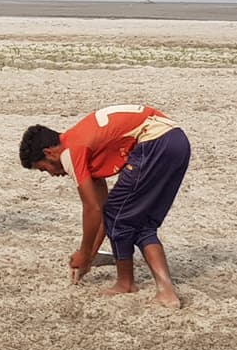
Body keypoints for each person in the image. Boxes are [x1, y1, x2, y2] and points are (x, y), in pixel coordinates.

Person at [19, 104, 190, 308]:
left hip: (154, 142)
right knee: (140, 223)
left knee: (120, 217)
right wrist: (90, 257)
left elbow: (92, 209)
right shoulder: (81, 142)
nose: (52, 175)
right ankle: (166, 292)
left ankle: (126, 283)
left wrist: (83, 252)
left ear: (49, 153)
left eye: (43, 169)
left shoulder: (70, 152)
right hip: (178, 141)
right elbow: (103, 211)